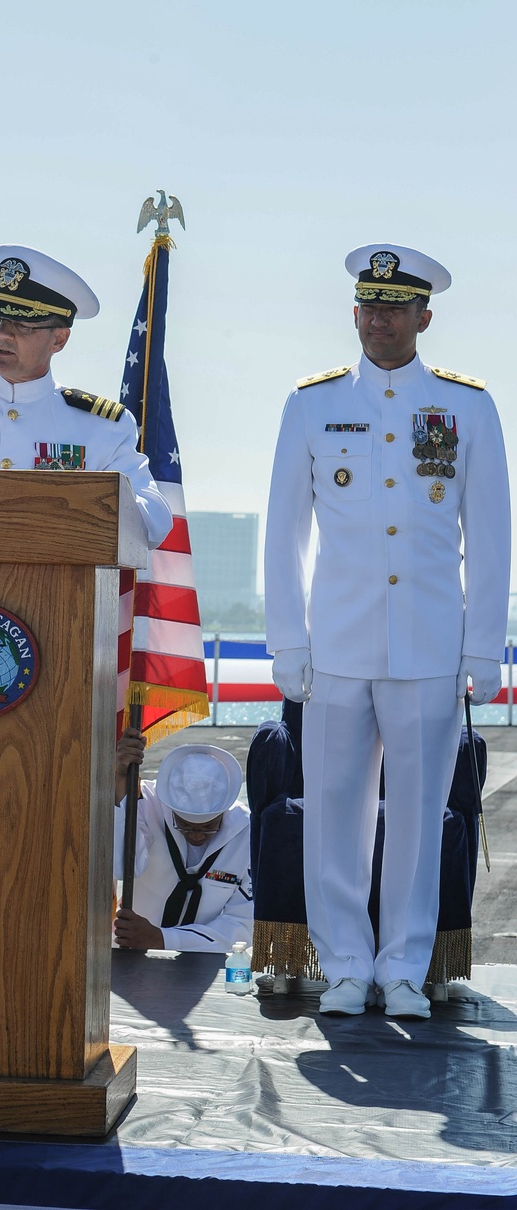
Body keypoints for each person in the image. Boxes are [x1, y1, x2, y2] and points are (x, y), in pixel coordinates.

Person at [264, 244, 510, 1018]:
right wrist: (287, 642)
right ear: (356, 313)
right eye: (368, 306)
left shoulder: (467, 407)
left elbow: (493, 533)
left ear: (423, 317)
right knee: (332, 813)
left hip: (433, 646)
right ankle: (343, 965)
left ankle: (403, 966)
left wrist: (483, 645)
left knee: (418, 812)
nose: (379, 319)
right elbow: (284, 534)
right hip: (337, 642)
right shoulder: (312, 404)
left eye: (395, 307)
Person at [0, 244, 173, 548]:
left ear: (59, 339)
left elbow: (153, 524)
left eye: (21, 325)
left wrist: (75, 504)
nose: (1, 333)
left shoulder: (104, 427)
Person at [112, 728, 253, 952]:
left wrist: (163, 939)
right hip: (132, 952)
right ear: (169, 807)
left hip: (204, 959)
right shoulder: (146, 802)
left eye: (208, 828)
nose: (197, 835)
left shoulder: (246, 832)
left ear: (225, 813)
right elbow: (122, 867)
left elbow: (241, 927)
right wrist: (120, 781)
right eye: (185, 826)